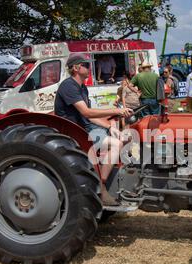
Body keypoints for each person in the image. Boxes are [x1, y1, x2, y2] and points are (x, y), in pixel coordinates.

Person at [54, 53, 134, 206]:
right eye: (86, 65)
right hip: (71, 132)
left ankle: (119, 181)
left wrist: (109, 126)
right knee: (116, 144)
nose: (90, 68)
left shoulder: (82, 88)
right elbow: (87, 113)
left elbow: (90, 116)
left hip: (83, 127)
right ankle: (101, 185)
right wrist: (116, 111)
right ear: (76, 68)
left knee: (123, 139)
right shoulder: (68, 86)